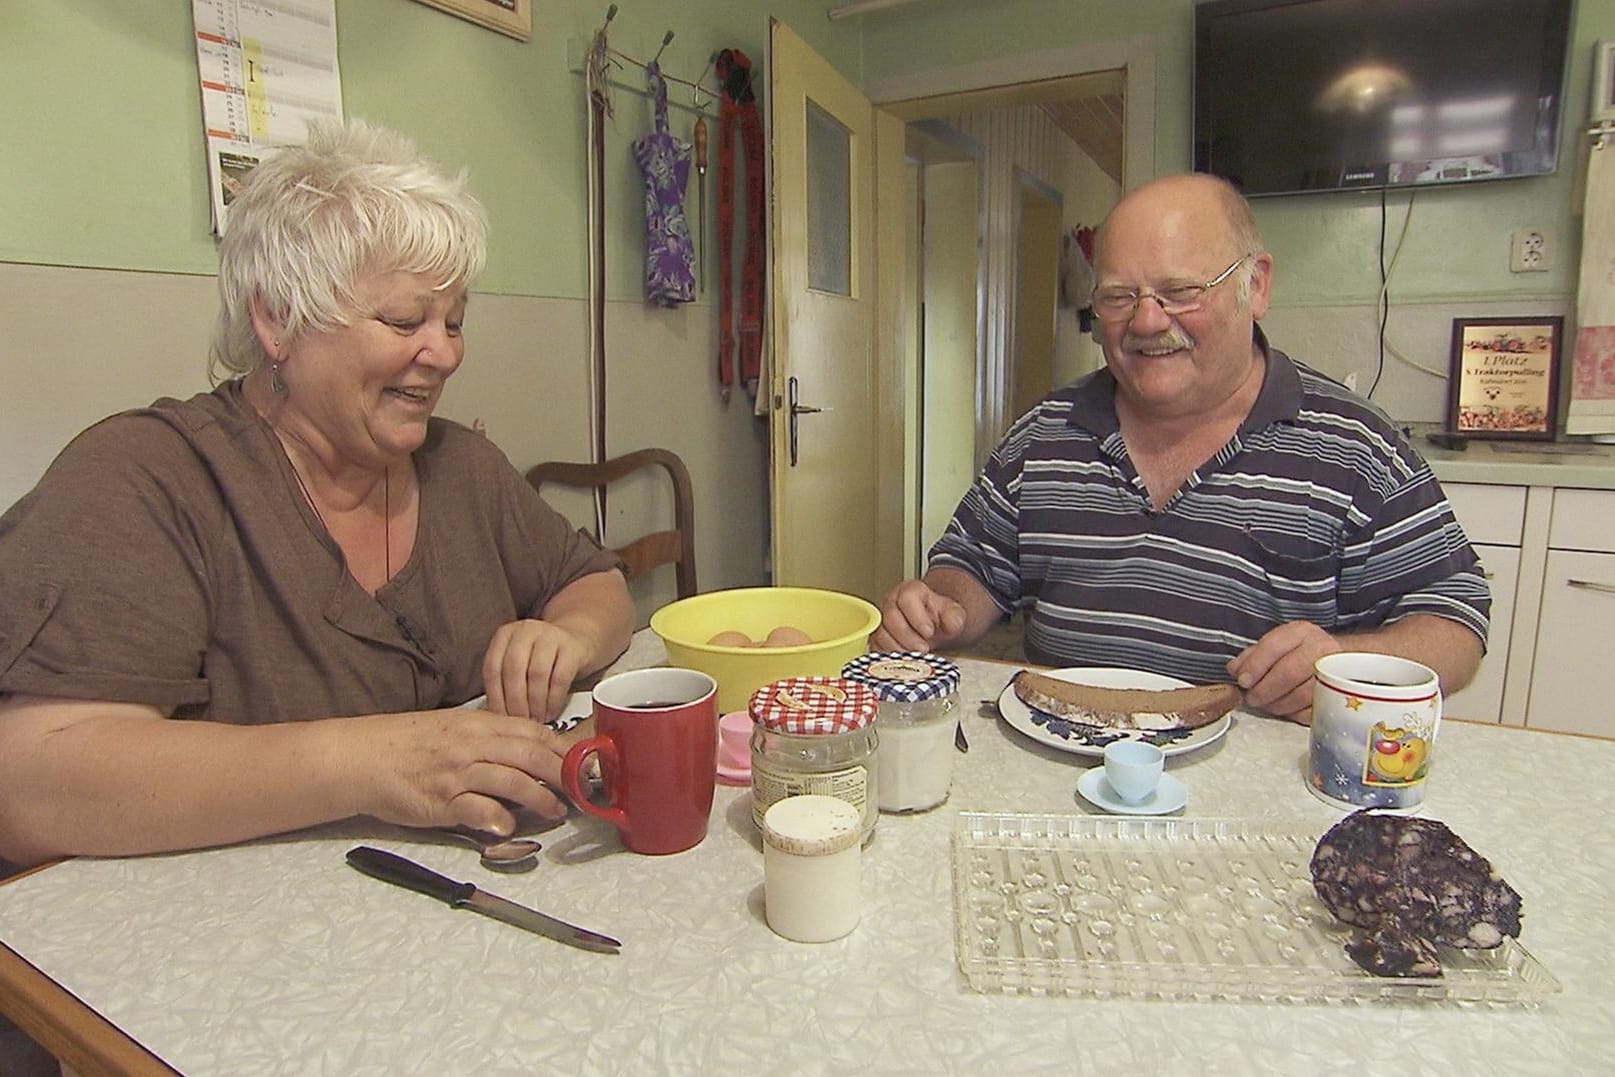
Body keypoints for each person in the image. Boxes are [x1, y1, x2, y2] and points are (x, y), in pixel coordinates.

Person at [0, 119, 635, 871]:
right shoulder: (146, 477)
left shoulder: (463, 466)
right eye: (405, 319)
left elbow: (600, 585)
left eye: (454, 322)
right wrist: (370, 762)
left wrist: (566, 635)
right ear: (278, 319)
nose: (445, 353)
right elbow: (30, 784)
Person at [874, 173, 1488, 723]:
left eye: (1180, 290)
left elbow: (1456, 625)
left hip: (1259, 791)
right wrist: (938, 608)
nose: (1145, 322)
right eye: (1118, 296)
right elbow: (973, 566)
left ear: (1258, 285)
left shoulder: (1356, 446)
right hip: (1060, 763)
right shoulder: (1043, 433)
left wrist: (1344, 661)